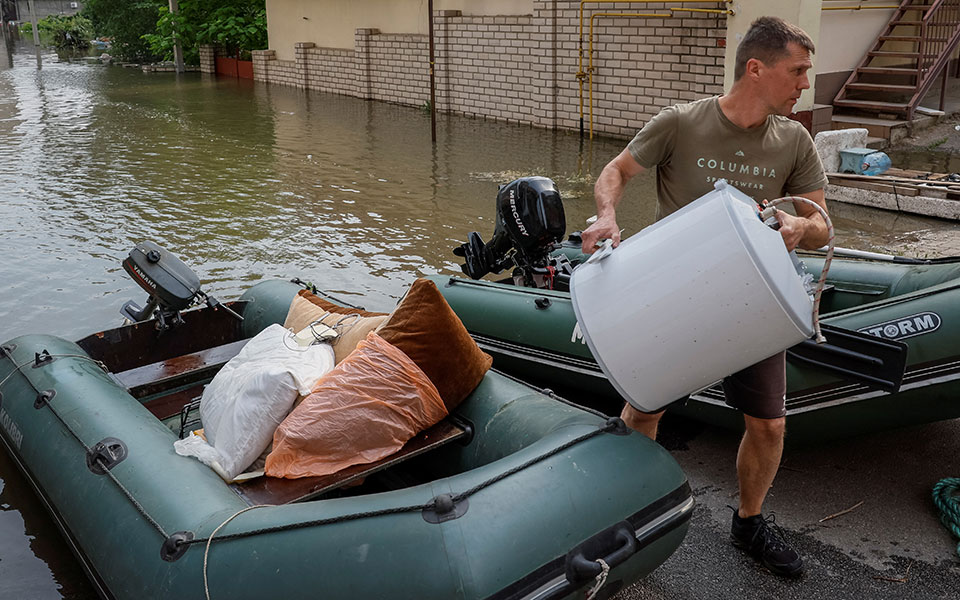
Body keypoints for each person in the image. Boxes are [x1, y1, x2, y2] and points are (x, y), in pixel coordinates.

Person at [580, 16, 829, 577]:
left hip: (755, 301)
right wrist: (607, 215)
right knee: (645, 406)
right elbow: (616, 171)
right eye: (797, 71)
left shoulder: (795, 139)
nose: (804, 84)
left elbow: (822, 225)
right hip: (676, 293)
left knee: (768, 423)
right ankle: (628, 511)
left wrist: (797, 227)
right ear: (756, 68)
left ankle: (748, 524)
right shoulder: (681, 123)